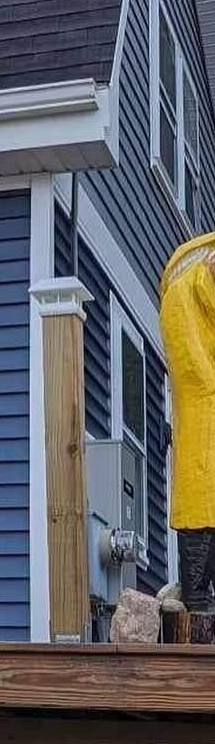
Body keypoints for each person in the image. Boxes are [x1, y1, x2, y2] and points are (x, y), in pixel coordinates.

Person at [160, 232, 215, 616]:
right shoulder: (182, 296)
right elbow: (195, 376)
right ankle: (196, 604)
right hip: (201, 429)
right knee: (198, 502)